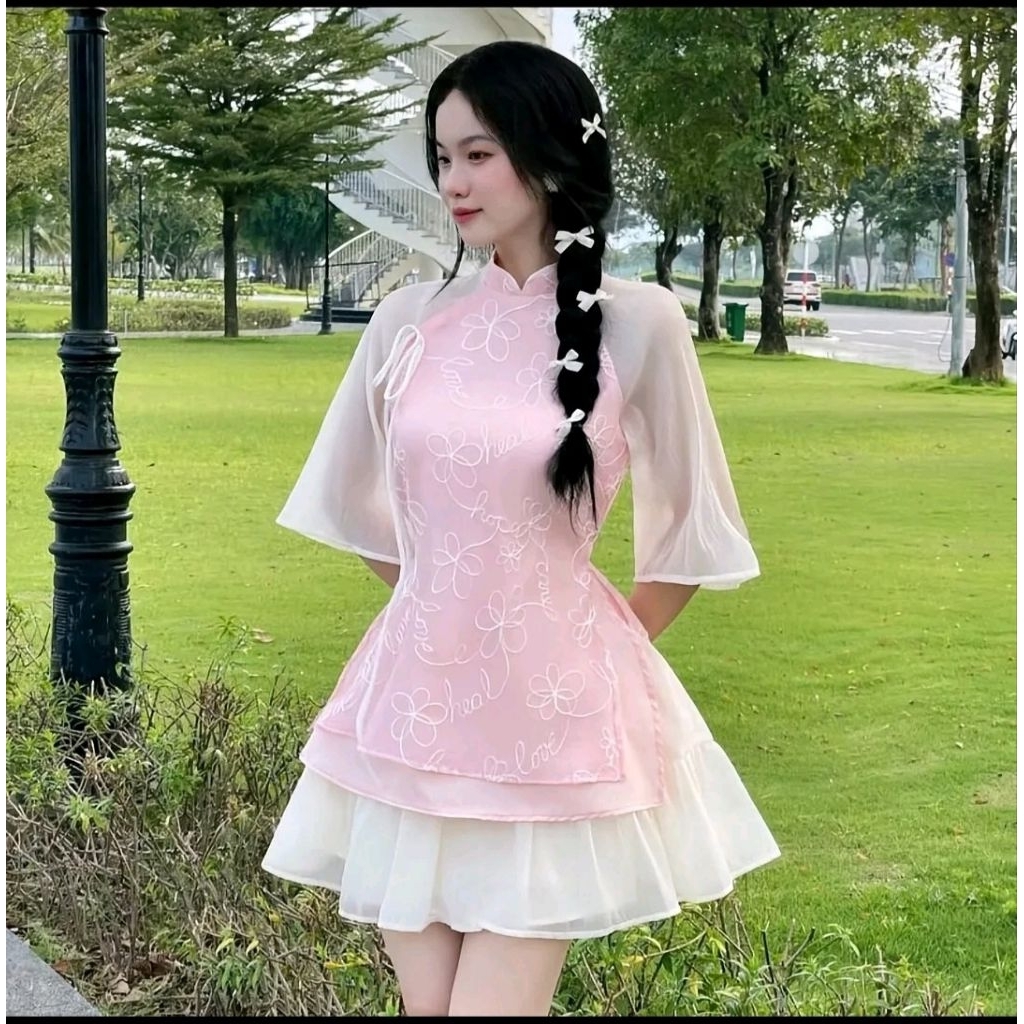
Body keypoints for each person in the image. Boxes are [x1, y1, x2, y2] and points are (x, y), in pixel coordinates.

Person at [262, 40, 780, 1017]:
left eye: (478, 154)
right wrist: (449, 606)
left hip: (553, 728)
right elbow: (355, 502)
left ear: (548, 157)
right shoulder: (407, 320)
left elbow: (690, 534)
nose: (452, 182)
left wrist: (585, 644)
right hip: (412, 717)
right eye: (442, 157)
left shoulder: (641, 323)